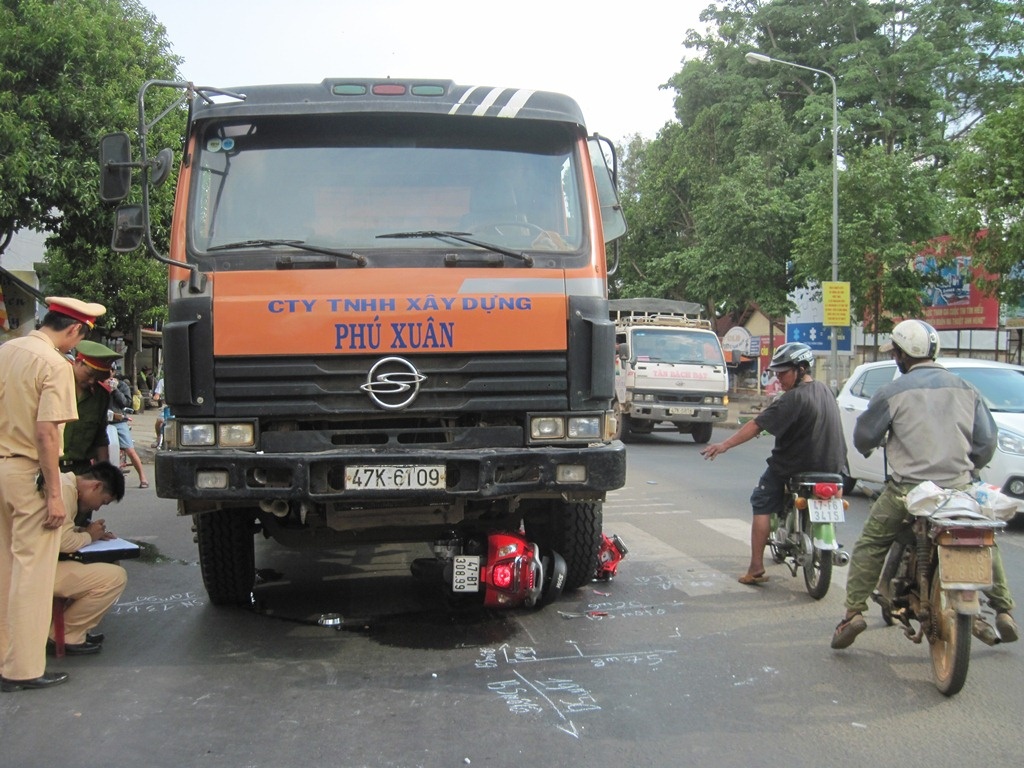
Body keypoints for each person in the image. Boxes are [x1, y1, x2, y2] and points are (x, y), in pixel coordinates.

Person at [832, 319, 1018, 648]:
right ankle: (1004, 610)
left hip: (908, 491)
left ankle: (853, 613)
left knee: (871, 543)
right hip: (958, 489)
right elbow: (986, 442)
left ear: (904, 355)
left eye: (897, 354)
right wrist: (968, 467)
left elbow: (864, 436)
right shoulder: (966, 389)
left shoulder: (891, 392)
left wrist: (869, 446)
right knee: (983, 540)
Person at [0, 296, 106, 692]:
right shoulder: (53, 365)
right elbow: (47, 433)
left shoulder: (7, 350)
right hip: (30, 473)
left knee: (5, 571)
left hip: (2, 467)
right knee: (32, 576)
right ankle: (23, 669)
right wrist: (55, 494)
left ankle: (4, 659)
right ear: (75, 330)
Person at [701, 342, 847, 584]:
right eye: (777, 374)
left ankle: (755, 567)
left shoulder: (792, 398)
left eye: (783, 373)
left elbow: (756, 425)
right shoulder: (825, 391)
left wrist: (724, 445)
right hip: (833, 468)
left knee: (761, 502)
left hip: (795, 467)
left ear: (800, 369)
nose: (779, 379)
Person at [48, 462, 127, 656]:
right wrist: (90, 536)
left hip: (34, 563)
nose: (98, 508)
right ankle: (66, 634)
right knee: (115, 577)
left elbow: (55, 531)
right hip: (35, 568)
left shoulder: (66, 485)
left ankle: (72, 629)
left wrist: (83, 531)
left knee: (108, 564)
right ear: (96, 486)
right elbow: (64, 542)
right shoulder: (65, 489)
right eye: (103, 501)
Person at [60, 341, 121, 491]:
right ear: (78, 362)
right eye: (90, 375)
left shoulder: (100, 396)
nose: (92, 381)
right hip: (51, 470)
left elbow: (100, 437)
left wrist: (104, 474)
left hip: (82, 472)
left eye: (98, 378)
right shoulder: (55, 385)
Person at [109, 373, 149, 489]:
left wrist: (115, 389)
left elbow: (126, 402)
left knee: (130, 450)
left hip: (119, 421)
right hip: (104, 422)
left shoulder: (122, 386)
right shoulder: (99, 384)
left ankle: (143, 477)